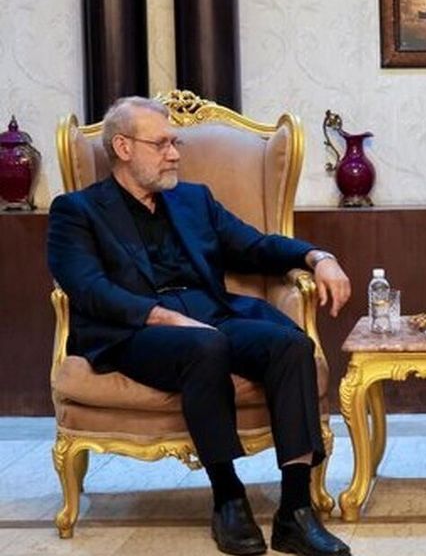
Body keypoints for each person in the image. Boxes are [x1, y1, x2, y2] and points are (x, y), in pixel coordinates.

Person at [47, 97, 353, 556]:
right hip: (135, 331)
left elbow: (254, 246)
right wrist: (162, 316)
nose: (174, 154)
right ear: (123, 148)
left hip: (212, 315)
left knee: (290, 345)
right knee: (203, 347)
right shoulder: (77, 211)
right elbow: (89, 289)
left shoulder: (193, 199)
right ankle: (228, 497)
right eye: (162, 144)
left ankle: (295, 511)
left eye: (176, 143)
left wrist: (318, 256)